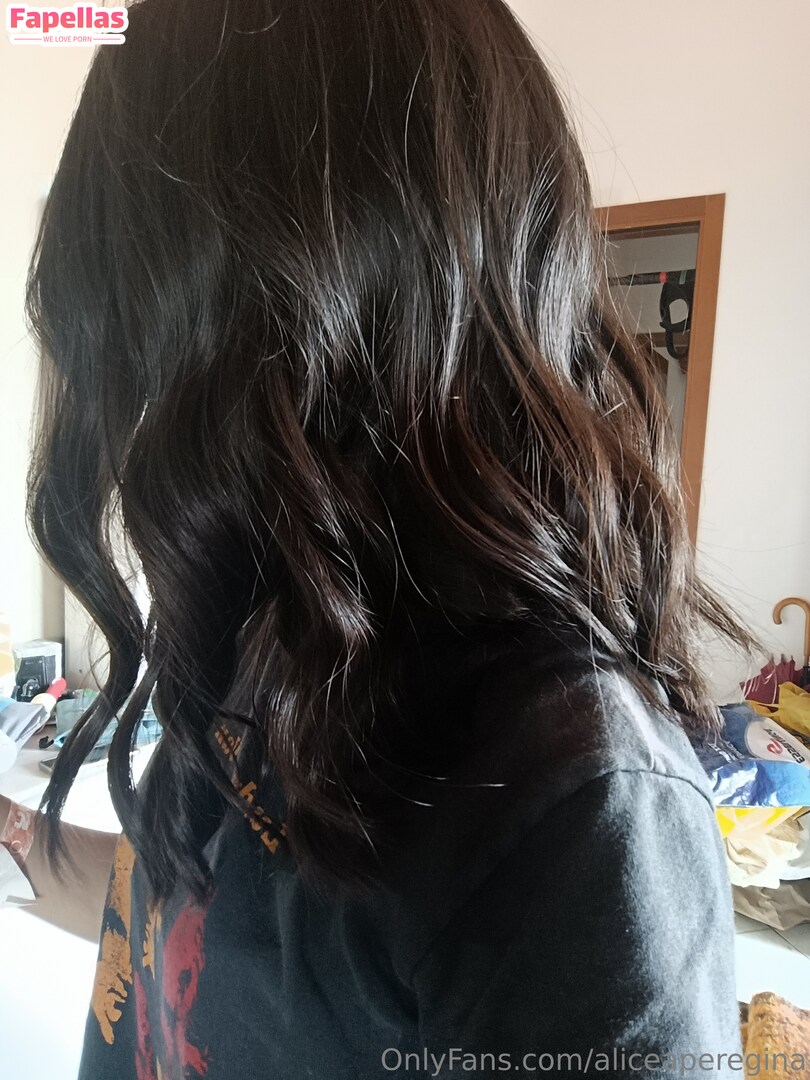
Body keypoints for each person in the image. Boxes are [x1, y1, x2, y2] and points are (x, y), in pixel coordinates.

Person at [2, 0, 760, 1077]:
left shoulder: (570, 810)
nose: (128, 421)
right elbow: (197, 929)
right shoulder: (271, 613)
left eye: (141, 349)